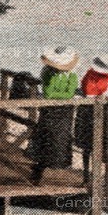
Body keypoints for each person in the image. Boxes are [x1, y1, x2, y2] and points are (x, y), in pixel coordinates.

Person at [29, 47, 79, 185]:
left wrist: (62, 96)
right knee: (46, 137)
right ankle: (38, 171)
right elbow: (49, 93)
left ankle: (55, 169)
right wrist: (63, 96)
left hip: (65, 112)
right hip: (50, 110)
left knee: (61, 139)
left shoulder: (72, 74)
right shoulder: (47, 72)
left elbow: (70, 93)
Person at [74, 54, 108, 173]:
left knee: (98, 144)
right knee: (88, 145)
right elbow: (90, 93)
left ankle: (95, 173)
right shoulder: (91, 75)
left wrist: (103, 95)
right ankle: (87, 173)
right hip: (89, 112)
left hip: (98, 113)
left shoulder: (107, 77)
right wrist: (103, 94)